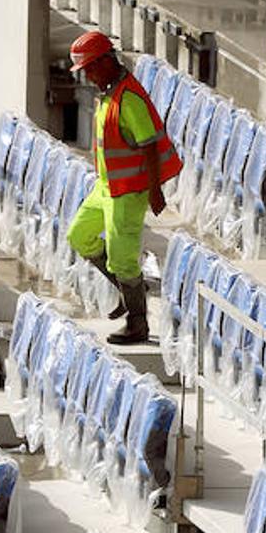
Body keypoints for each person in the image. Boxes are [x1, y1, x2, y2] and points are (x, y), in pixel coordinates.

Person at [65, 31, 183, 344]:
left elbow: (150, 146)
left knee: (122, 258)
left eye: (90, 68)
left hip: (128, 191)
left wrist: (155, 191)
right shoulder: (109, 93)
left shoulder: (129, 99)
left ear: (106, 61)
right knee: (79, 235)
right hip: (106, 187)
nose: (88, 76)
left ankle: (137, 322)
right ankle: (126, 287)